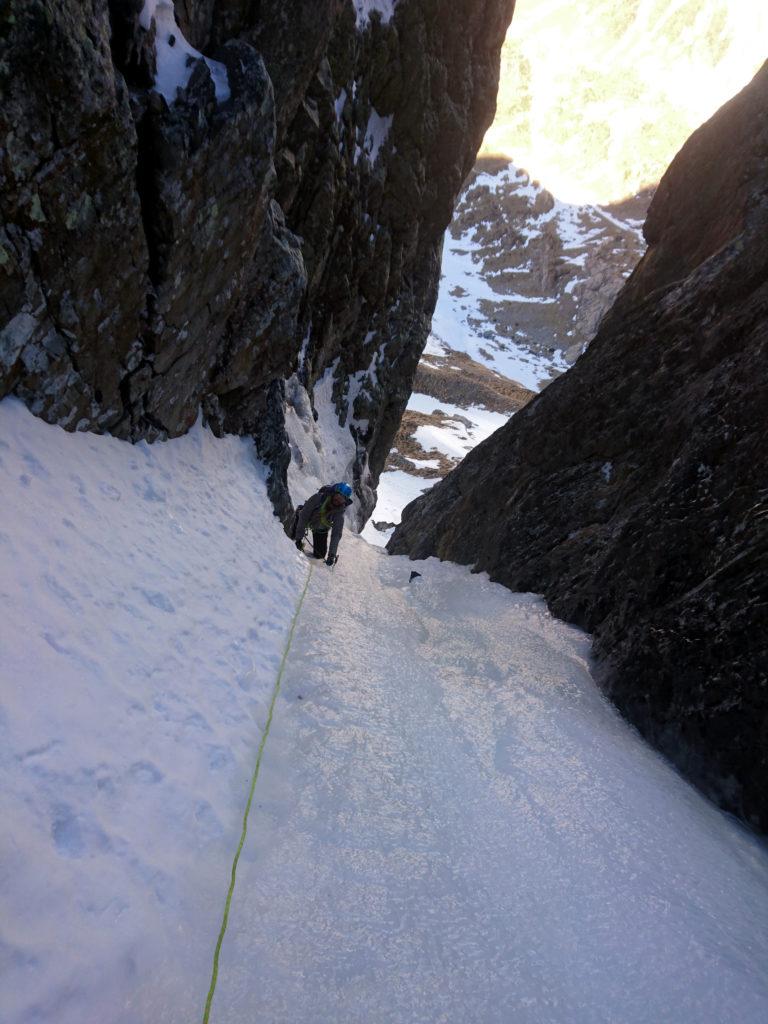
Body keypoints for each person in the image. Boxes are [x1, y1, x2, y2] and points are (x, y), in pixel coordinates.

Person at [294, 482, 353, 565]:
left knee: (320, 555)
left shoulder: (339, 512)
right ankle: (297, 514)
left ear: (345, 501)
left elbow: (336, 534)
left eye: (342, 499)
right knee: (293, 536)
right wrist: (298, 538)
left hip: (321, 527)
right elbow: (304, 516)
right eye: (339, 496)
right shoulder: (318, 498)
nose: (338, 500)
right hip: (307, 518)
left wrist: (331, 555)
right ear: (334, 493)